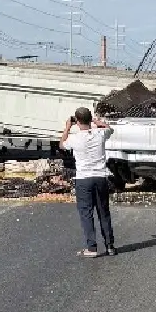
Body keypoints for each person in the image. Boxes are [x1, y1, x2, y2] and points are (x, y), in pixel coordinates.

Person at [61, 107, 116, 258]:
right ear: (90, 119)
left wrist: (67, 127)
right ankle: (110, 246)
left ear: (77, 121)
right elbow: (109, 128)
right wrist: (94, 121)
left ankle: (92, 248)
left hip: (84, 179)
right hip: (100, 177)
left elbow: (62, 144)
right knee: (103, 212)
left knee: (86, 213)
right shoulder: (100, 133)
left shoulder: (74, 138)